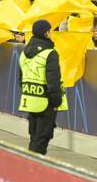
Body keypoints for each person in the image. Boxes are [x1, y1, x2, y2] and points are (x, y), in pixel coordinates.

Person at [18, 19, 65, 155]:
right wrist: (57, 102)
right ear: (46, 33)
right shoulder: (50, 53)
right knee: (41, 140)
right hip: (46, 103)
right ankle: (32, 171)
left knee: (34, 137)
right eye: (50, 31)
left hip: (31, 101)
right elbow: (53, 81)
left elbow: (21, 79)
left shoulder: (24, 52)